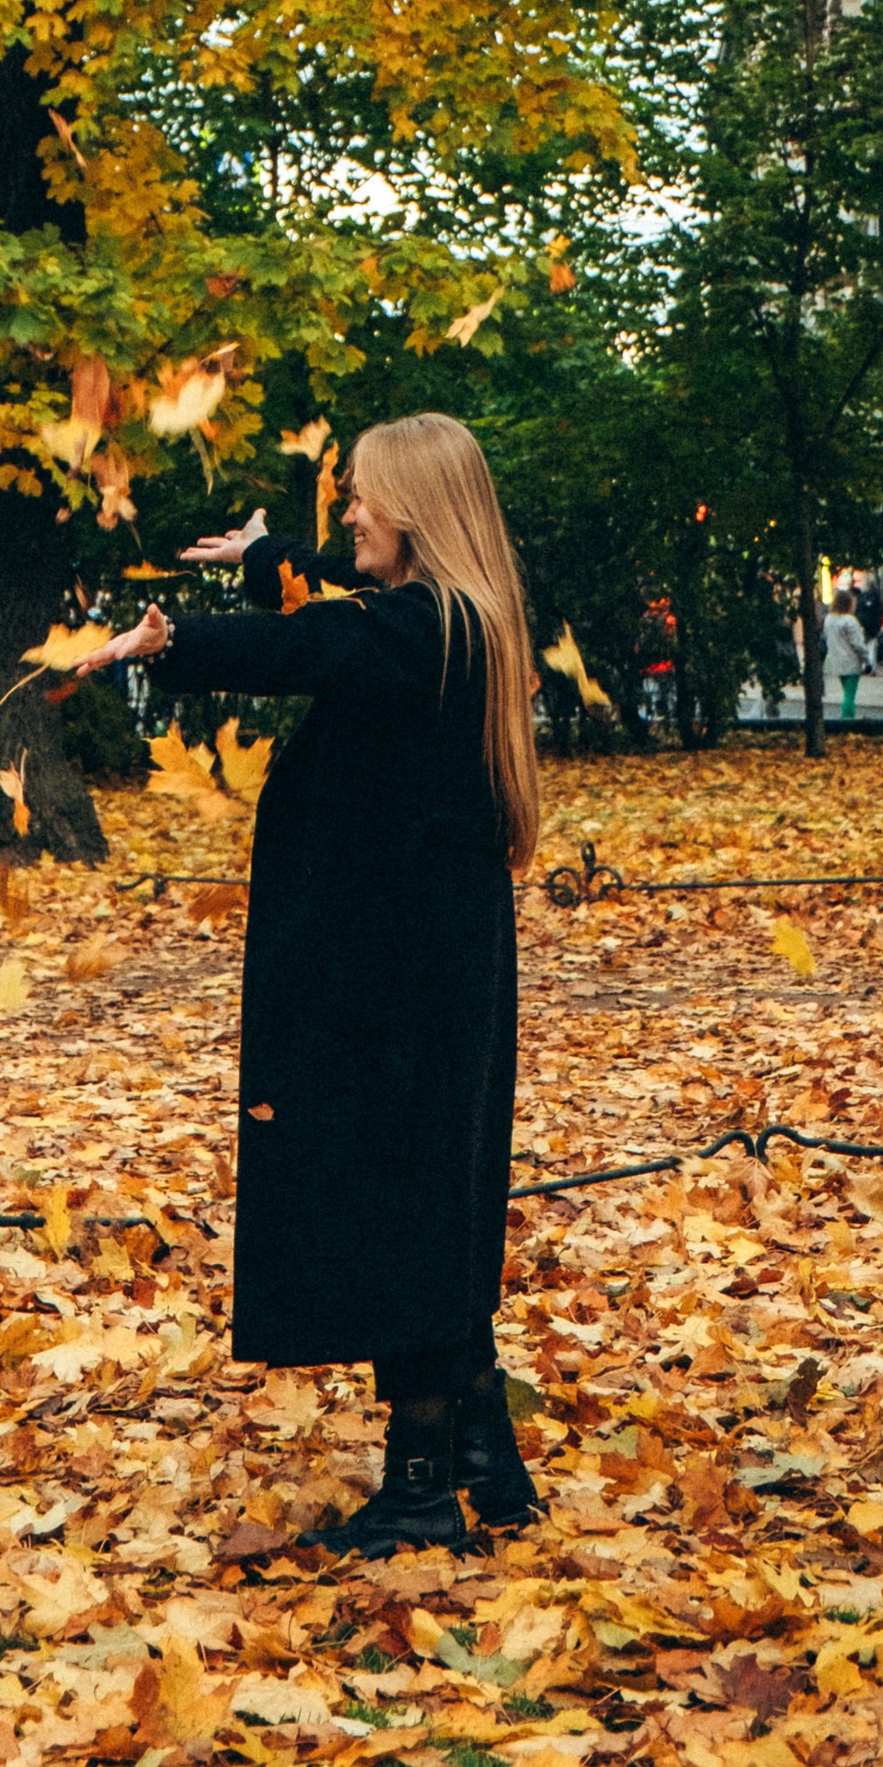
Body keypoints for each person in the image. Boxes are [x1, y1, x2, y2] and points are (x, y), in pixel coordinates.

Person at [84, 410, 543, 1560]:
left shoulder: (429, 628)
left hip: (402, 974)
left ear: (415, 512)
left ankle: (423, 1486)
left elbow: (315, 647)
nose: (346, 517)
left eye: (361, 499)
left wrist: (166, 642)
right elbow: (334, 615)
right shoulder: (450, 625)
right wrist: (257, 560)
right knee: (429, 1192)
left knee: (406, 1201)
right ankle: (482, 1457)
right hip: (419, 958)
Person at [821, 585, 870, 728]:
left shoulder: (829, 619)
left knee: (847, 692)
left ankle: (850, 716)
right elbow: (857, 643)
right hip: (850, 660)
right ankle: (847, 719)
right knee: (850, 694)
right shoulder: (850, 621)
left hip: (835, 659)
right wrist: (867, 659)